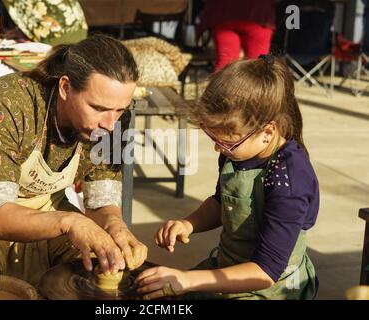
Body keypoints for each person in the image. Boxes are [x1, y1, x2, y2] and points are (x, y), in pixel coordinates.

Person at [0, 34, 147, 286]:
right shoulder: (8, 102)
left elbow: (101, 203)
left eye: (120, 109)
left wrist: (115, 225)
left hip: (45, 205)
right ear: (65, 87)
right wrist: (70, 221)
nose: (110, 125)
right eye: (98, 108)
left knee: (103, 266)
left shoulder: (114, 120)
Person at [136, 55, 319, 300]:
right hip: (228, 268)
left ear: (267, 132)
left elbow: (266, 270)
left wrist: (187, 279)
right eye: (214, 139)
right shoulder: (238, 152)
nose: (218, 149)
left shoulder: (288, 180)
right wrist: (189, 223)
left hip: (272, 288)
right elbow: (222, 201)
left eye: (226, 142)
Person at [196, 0, 275, 71]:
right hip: (258, 13)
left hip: (223, 11)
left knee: (225, 66)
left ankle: (221, 86)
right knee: (258, 68)